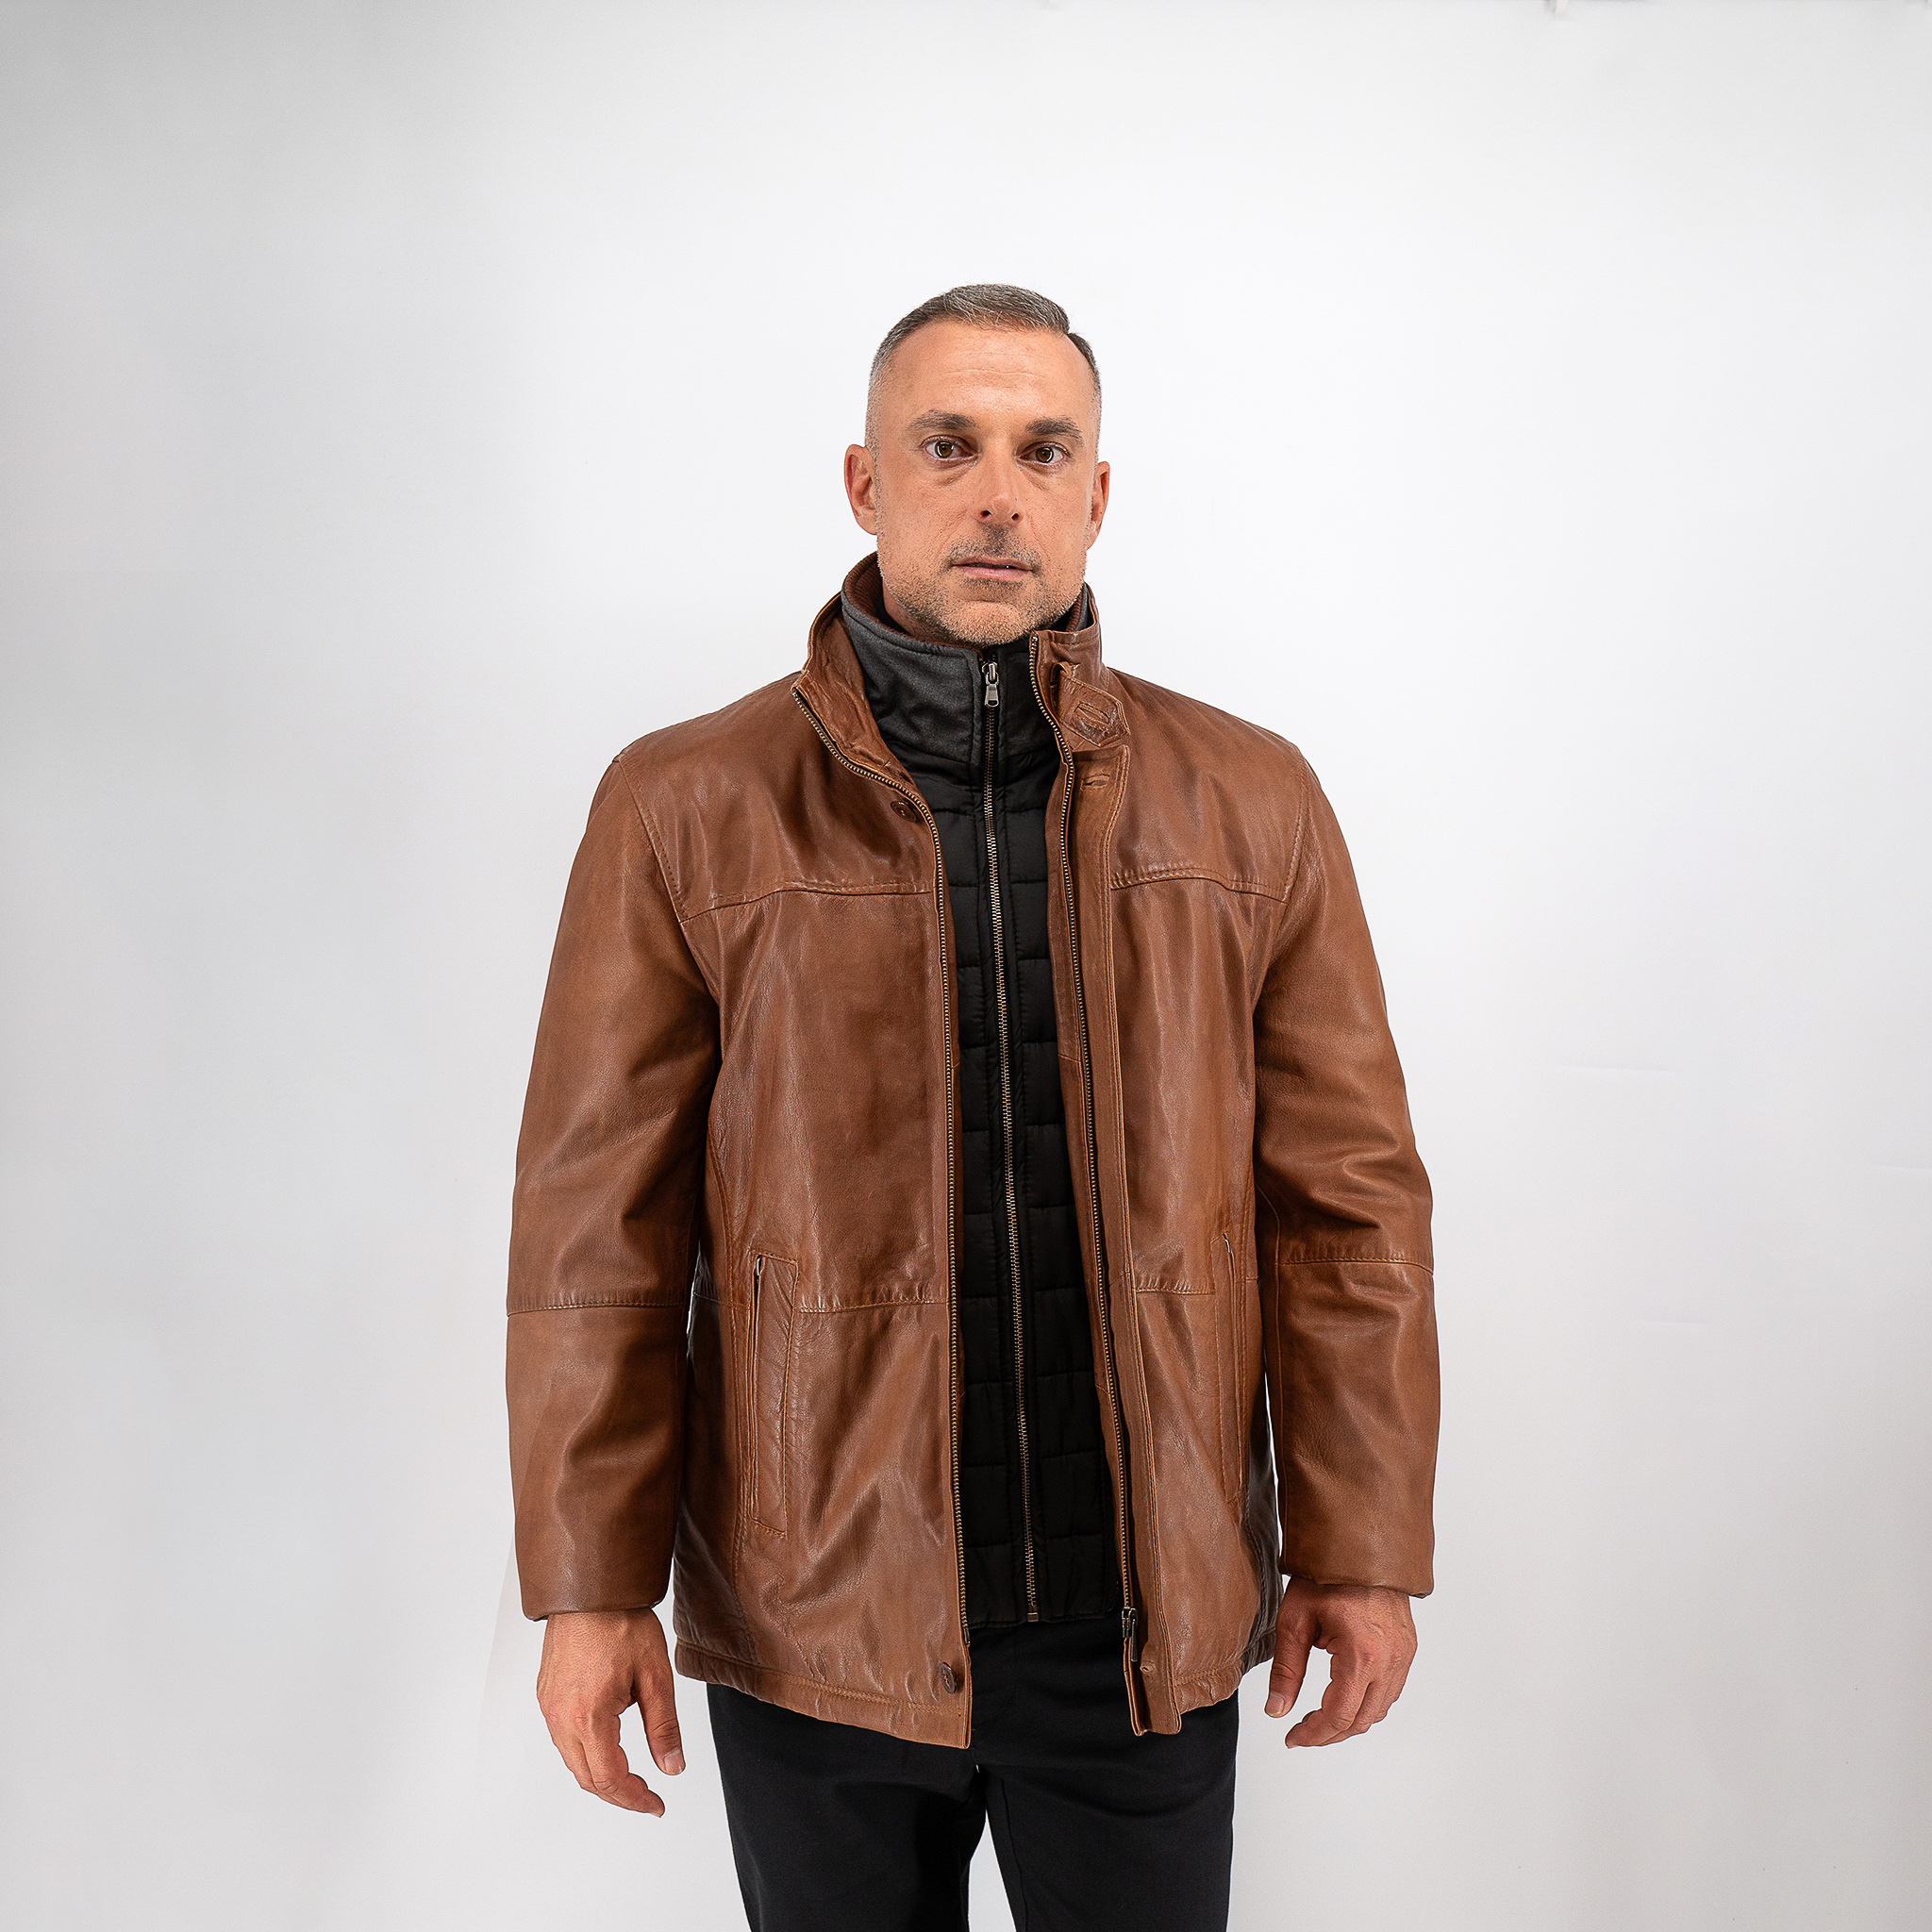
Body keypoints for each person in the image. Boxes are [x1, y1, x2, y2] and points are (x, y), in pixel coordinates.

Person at [506, 284, 1439, 1932]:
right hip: (815, 1625)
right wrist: (591, 1590)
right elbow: (600, 1230)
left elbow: (1346, 1207)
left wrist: (1357, 1546)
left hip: (1138, 1632)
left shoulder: (1253, 801)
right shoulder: (684, 806)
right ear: (866, 482)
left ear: (1098, 493)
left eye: (1042, 450)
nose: (998, 493)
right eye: (949, 446)